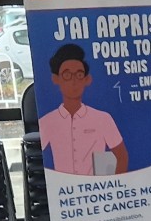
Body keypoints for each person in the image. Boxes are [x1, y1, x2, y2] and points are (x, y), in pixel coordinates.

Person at [39, 43, 129, 176]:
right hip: (63, 187)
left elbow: (122, 157)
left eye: (79, 75)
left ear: (87, 79)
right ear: (56, 79)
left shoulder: (103, 119)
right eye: (67, 75)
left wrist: (112, 184)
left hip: (96, 187)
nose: (74, 81)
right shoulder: (47, 121)